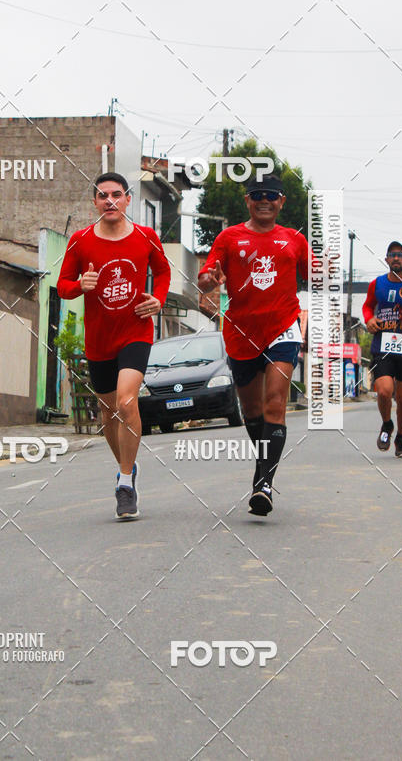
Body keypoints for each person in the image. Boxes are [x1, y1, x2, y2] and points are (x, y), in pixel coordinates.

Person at [57, 173, 171, 519]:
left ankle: (124, 483)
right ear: (95, 202)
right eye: (103, 195)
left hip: (136, 330)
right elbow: (61, 286)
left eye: (116, 195)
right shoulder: (80, 241)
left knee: (126, 400)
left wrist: (159, 299)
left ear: (127, 201)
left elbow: (163, 272)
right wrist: (80, 284)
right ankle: (128, 467)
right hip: (99, 339)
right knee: (108, 410)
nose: (110, 200)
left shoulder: (146, 237)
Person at [198, 174, 308, 516]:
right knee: (252, 412)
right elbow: (206, 276)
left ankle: (264, 483)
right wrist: (209, 279)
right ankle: (263, 470)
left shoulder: (294, 240)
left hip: (283, 328)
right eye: (257, 195)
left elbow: (315, 276)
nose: (264, 200)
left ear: (281, 202)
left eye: (271, 196)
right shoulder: (230, 237)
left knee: (275, 402)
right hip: (241, 332)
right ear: (247, 200)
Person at [363, 241, 402, 457]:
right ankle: (387, 424)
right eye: (392, 255)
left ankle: (401, 437)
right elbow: (367, 306)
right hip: (382, 344)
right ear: (386, 260)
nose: (396, 258)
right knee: (383, 390)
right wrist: (369, 320)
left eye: (400, 255)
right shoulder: (376, 284)